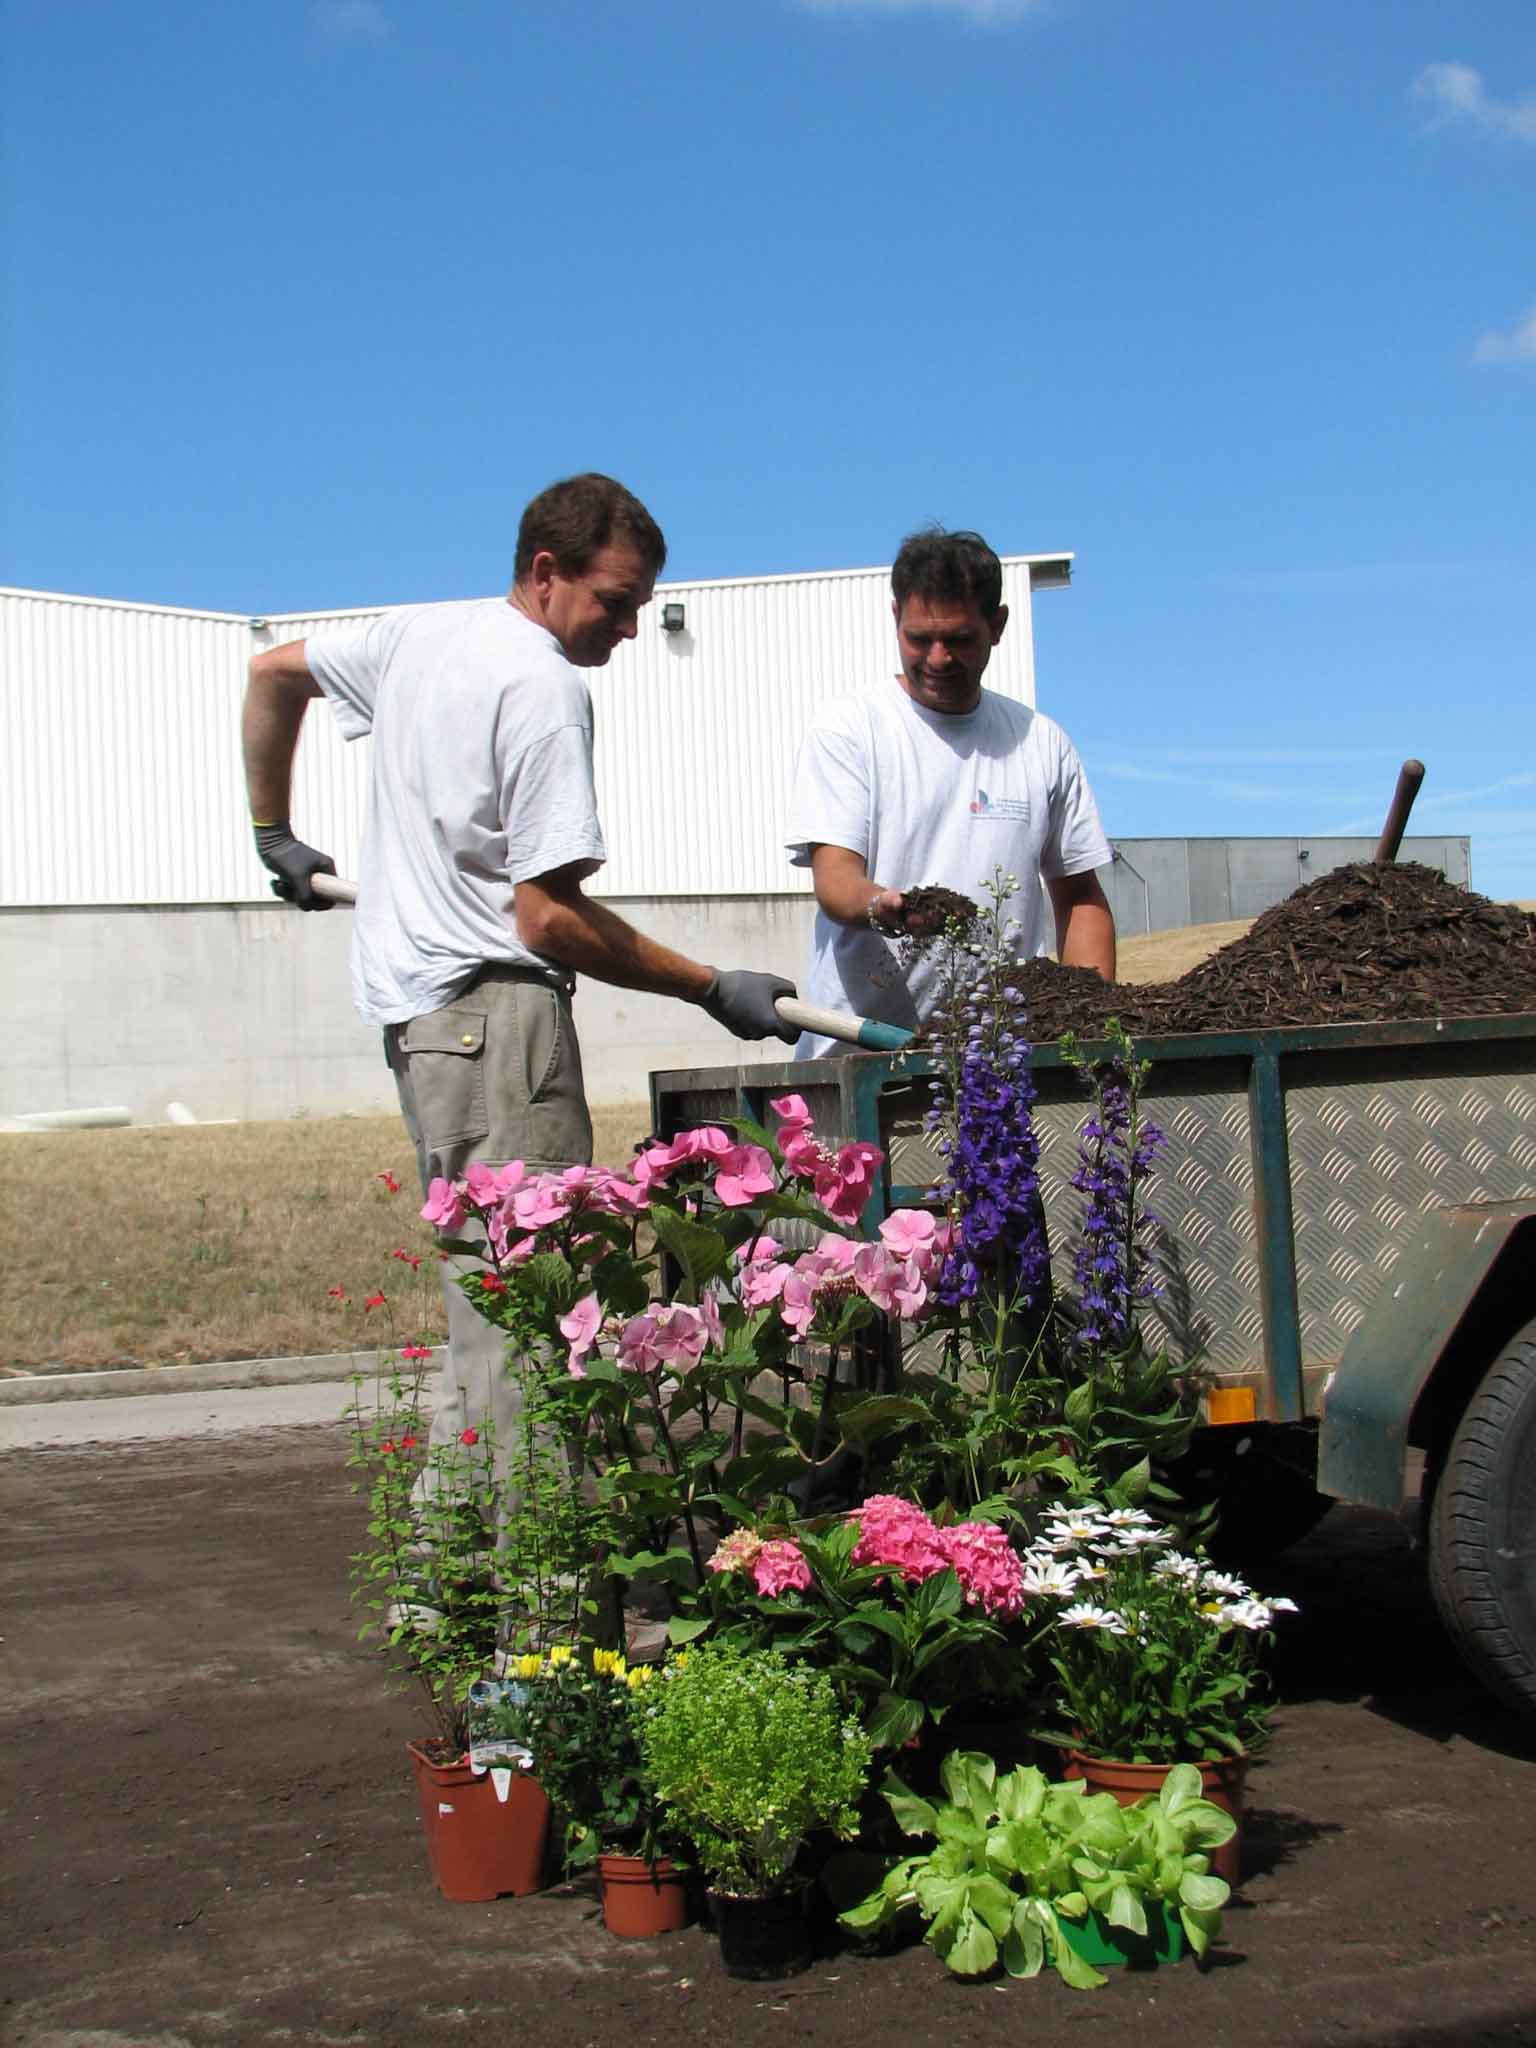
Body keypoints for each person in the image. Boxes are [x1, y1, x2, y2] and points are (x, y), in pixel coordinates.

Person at [241, 472, 797, 1460]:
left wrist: (272, 828)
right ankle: (548, 1611)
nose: (627, 627)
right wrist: (712, 987)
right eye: (615, 600)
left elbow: (272, 674)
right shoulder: (544, 685)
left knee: (487, 1315)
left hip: (424, 1033)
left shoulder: (415, 636)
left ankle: (437, 1590)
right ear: (547, 572)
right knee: (540, 1332)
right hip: (502, 1026)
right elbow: (547, 918)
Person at [784, 525, 1115, 1056]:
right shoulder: (850, 730)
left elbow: (1079, 897)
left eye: (959, 639)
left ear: (998, 625)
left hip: (1001, 1056)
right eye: (920, 638)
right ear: (895, 618)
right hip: (863, 1052)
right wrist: (886, 907)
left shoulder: (1041, 744)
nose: (937, 658)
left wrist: (1088, 1018)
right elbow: (835, 879)